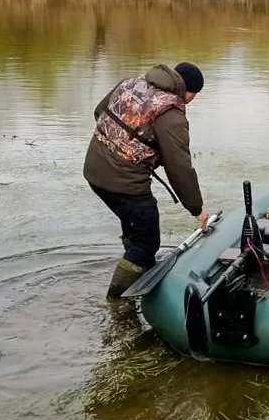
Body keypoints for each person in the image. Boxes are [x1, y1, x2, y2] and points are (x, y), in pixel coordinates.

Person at [84, 61, 211, 300]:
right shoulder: (171, 114)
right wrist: (197, 208)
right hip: (124, 183)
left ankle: (137, 270)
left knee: (136, 227)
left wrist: (125, 145)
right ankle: (118, 302)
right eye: (194, 97)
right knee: (146, 242)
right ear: (189, 92)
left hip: (93, 169)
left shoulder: (132, 83)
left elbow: (100, 112)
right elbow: (179, 168)